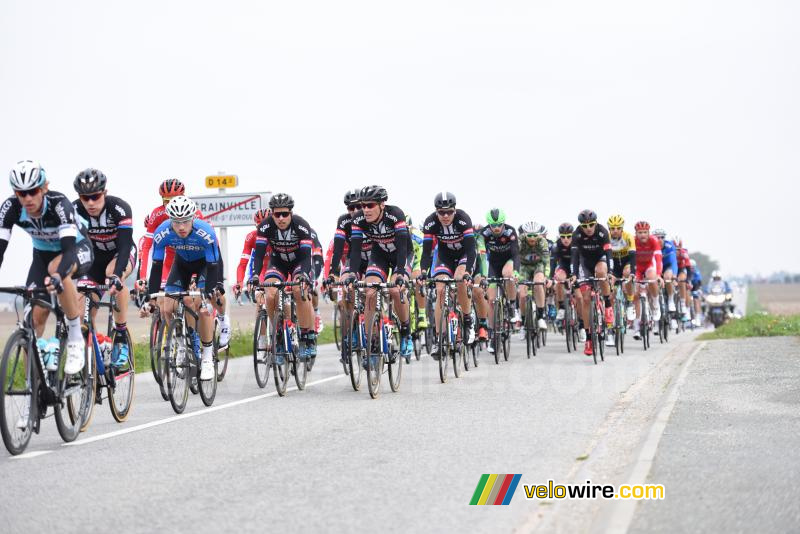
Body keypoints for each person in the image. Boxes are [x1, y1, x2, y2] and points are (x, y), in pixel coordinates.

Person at [0, 160, 93, 378]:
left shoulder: (59, 205)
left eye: (32, 191)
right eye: (22, 194)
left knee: (56, 268)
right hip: (42, 255)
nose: (28, 198)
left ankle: (75, 339)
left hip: (76, 248)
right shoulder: (10, 208)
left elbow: (68, 251)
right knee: (34, 319)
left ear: (44, 188)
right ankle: (34, 388)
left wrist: (59, 275)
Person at [144, 196, 222, 380]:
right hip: (181, 265)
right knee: (167, 307)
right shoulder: (162, 232)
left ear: (193, 218)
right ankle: (181, 346)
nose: (181, 227)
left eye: (185, 221)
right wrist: (150, 298)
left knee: (204, 310)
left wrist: (210, 292)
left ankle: (207, 358)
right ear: (170, 219)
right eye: (176, 222)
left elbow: (214, 265)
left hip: (205, 265)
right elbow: (156, 266)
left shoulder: (206, 232)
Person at [72, 168, 136, 366]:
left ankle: (122, 334)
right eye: (85, 197)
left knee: (112, 276)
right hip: (94, 260)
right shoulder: (74, 210)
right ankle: (93, 354)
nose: (90, 202)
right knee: (81, 305)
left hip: (120, 254)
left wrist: (117, 275)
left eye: (95, 196)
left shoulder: (119, 208)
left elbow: (125, 245)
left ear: (104, 193)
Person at [344, 185, 413, 361]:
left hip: (401, 254)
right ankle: (371, 343)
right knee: (370, 291)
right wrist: (352, 273)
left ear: (382, 204)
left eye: (370, 205)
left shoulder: (395, 214)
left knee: (396, 291)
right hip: (380, 255)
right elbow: (355, 250)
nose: (365, 209)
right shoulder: (359, 219)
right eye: (363, 205)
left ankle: (406, 333)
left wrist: (399, 273)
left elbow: (403, 248)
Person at [249, 194, 318, 363]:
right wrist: (256, 275)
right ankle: (278, 335)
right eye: (277, 214)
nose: (281, 218)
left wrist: (303, 276)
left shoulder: (301, 225)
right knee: (270, 293)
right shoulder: (265, 227)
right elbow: (258, 256)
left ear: (291, 213)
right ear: (272, 213)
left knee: (298, 290)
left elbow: (306, 256)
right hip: (277, 262)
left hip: (298, 263)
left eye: (285, 214)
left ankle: (306, 336)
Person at [418, 192, 476, 358]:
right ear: (436, 211)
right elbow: (427, 251)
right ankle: (438, 339)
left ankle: (467, 318)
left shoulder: (463, 219)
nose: (445, 216)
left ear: (454, 210)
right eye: (441, 212)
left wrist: (467, 272)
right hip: (445, 257)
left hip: (464, 255)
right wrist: (423, 272)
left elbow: (471, 250)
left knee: (459, 280)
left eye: (449, 212)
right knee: (440, 290)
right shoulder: (430, 222)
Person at [569, 209, 612, 356]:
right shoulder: (577, 234)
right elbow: (574, 257)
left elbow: (608, 253)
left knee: (601, 273)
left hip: (600, 260)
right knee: (586, 298)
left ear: (595, 223)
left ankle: (608, 305)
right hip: (584, 263)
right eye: (584, 226)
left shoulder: (602, 232)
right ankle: (588, 338)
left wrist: (610, 272)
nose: (588, 228)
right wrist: (574, 274)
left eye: (591, 225)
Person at [479, 209, 520, 354]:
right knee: (490, 300)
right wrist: (483, 276)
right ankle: (492, 335)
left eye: (499, 224)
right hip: (493, 265)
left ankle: (513, 305)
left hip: (508, 261)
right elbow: (482, 256)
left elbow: (516, 253)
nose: (496, 228)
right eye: (493, 225)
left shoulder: (510, 231)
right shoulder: (484, 233)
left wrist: (516, 271)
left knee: (507, 274)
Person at [518, 221, 550, 339]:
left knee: (538, 283)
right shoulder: (520, 241)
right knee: (521, 294)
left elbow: (546, 260)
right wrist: (515, 273)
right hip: (524, 267)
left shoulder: (543, 242)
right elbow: (515, 256)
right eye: (529, 235)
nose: (532, 238)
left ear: (539, 235)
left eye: (535, 235)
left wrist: (547, 277)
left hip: (538, 266)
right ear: (524, 234)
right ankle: (522, 323)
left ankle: (541, 317)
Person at [631, 221, 663, 340]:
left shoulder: (654, 241)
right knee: (636, 294)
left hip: (649, 265)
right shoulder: (633, 241)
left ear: (649, 233)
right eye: (640, 232)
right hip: (637, 268)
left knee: (652, 277)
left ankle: (655, 302)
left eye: (645, 232)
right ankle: (636, 327)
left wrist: (659, 275)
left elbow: (658, 259)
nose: (643, 235)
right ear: (636, 233)